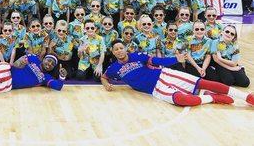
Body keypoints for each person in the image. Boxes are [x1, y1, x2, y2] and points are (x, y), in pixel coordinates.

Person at [101, 40, 254, 107]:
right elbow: (104, 76)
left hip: (164, 74)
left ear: (126, 49)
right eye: (116, 49)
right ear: (113, 53)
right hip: (155, 89)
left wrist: (176, 58)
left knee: (203, 83)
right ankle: (211, 97)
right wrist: (106, 83)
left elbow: (156, 61)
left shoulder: (138, 56)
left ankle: (246, 97)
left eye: (121, 48)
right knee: (182, 100)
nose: (119, 51)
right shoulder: (113, 68)